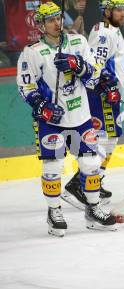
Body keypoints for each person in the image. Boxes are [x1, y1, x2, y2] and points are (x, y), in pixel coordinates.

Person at [16, 1, 116, 237]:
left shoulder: (78, 42)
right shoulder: (32, 52)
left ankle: (92, 209)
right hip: (52, 120)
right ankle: (54, 212)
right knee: (53, 167)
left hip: (81, 116)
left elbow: (94, 77)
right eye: (50, 20)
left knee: (90, 165)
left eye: (58, 18)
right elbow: (25, 86)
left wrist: (77, 64)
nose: (56, 23)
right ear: (40, 25)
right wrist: (43, 106)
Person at [62, 0, 124, 210]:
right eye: (118, 9)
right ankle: (78, 185)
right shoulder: (103, 33)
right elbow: (95, 65)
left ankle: (93, 182)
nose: (122, 13)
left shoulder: (111, 31)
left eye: (123, 10)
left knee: (111, 138)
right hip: (103, 95)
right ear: (106, 11)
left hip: (109, 94)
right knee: (103, 141)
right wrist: (108, 87)